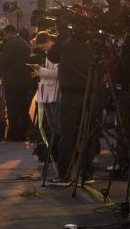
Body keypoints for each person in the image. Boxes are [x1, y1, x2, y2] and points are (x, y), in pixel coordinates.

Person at [47, 20, 99, 184]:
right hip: (90, 93)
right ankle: (87, 173)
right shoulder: (93, 42)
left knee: (67, 135)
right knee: (87, 133)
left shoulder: (66, 41)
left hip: (70, 94)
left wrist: (62, 36)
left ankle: (64, 174)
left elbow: (52, 56)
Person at [0, 24, 33, 141]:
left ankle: (13, 134)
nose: (5, 37)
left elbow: (4, 62)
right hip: (24, 80)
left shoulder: (11, 45)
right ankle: (23, 133)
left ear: (9, 33)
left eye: (5, 34)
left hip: (12, 81)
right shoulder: (24, 43)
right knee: (22, 108)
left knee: (12, 108)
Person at [27, 32, 59, 153]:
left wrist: (39, 69)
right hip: (47, 92)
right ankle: (53, 147)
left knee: (54, 123)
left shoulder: (55, 53)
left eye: (43, 46)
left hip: (53, 92)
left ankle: (55, 147)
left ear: (49, 41)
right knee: (51, 123)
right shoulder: (49, 53)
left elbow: (56, 73)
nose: (42, 49)